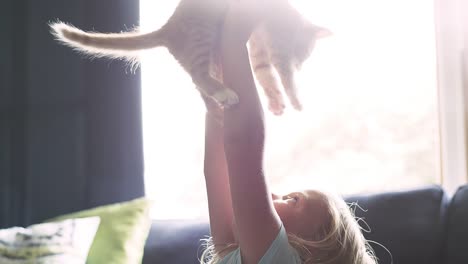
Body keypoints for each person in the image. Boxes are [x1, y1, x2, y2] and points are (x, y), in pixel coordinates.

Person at [200, 1, 378, 263]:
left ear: (308, 250)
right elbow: (219, 169)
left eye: (292, 199)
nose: (271, 195)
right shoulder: (245, 253)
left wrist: (235, 36)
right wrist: (218, 64)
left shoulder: (280, 259)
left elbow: (242, 145)